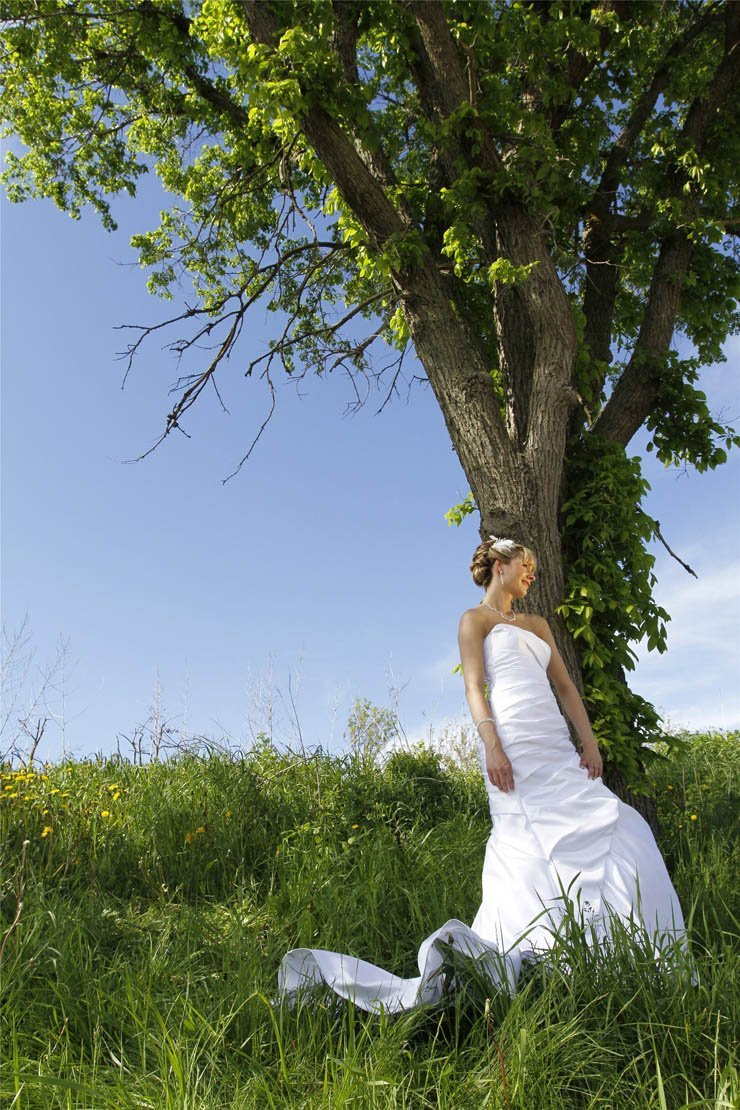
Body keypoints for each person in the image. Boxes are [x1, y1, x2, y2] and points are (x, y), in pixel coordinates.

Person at [278, 537, 688, 1013]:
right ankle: (548, 954)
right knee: (525, 846)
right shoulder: (473, 621)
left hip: (553, 744)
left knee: (624, 827)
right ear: (499, 564)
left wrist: (589, 741)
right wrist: (492, 744)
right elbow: (475, 686)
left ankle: (620, 953)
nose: (531, 572)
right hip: (511, 744)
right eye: (524, 564)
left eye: (535, 565)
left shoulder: (537, 625)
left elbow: (566, 689)